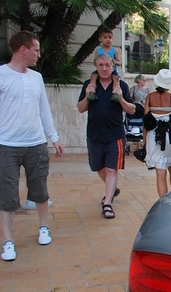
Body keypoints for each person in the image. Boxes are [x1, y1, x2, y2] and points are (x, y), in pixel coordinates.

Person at [0, 31, 64, 261]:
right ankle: (7, 241)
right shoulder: (1, 75)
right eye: (35, 50)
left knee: (39, 190)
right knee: (7, 195)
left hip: (36, 143)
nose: (39, 54)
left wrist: (54, 137)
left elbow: (43, 110)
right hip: (6, 145)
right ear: (23, 50)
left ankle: (43, 227)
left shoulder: (36, 77)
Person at [77, 53, 136, 219]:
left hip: (115, 135)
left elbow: (131, 110)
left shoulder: (121, 85)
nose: (104, 68)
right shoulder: (89, 84)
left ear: (112, 66)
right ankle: (113, 188)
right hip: (94, 134)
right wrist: (88, 96)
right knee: (97, 167)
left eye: (107, 65)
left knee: (112, 169)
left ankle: (108, 202)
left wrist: (122, 98)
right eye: (101, 65)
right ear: (96, 66)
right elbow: (81, 108)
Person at [143, 69, 171, 197]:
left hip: (154, 136)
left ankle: (163, 202)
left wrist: (144, 140)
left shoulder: (150, 96)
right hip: (170, 136)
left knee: (160, 174)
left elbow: (145, 120)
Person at [87, 27, 121, 102]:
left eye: (110, 37)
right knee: (93, 76)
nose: (108, 39)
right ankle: (92, 92)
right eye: (105, 37)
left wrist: (115, 62)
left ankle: (115, 93)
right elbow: (95, 61)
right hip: (100, 71)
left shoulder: (114, 50)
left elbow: (119, 62)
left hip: (112, 71)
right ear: (100, 39)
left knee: (116, 78)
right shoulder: (98, 50)